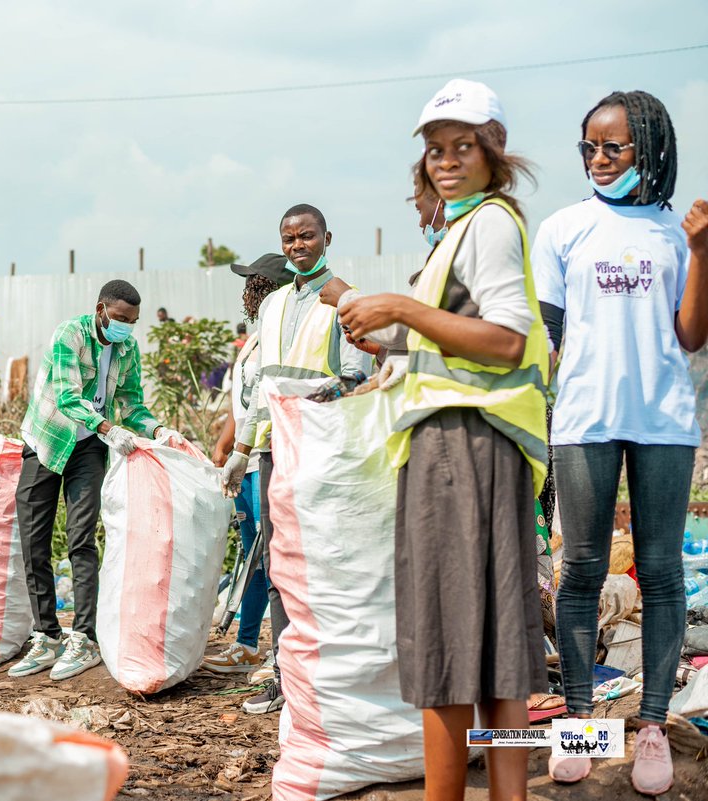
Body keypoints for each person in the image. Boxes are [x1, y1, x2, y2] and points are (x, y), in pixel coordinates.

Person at [340, 79, 549, 801]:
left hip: (464, 451)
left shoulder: (488, 224)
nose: (446, 161)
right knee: (497, 644)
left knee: (450, 638)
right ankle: (507, 794)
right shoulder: (460, 231)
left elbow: (505, 338)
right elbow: (452, 339)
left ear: (493, 151)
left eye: (463, 146)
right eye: (435, 150)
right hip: (467, 448)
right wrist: (392, 337)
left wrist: (399, 307)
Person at [534, 90, 708, 796]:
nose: (599, 161)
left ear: (651, 148)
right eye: (589, 148)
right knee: (580, 568)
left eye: (614, 147)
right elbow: (544, 339)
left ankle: (654, 728)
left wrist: (701, 250)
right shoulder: (564, 229)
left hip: (664, 421)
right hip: (583, 420)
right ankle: (579, 722)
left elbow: (692, 335)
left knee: (662, 571)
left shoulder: (676, 233)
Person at [220, 206, 371, 715]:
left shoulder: (342, 300)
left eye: (307, 236)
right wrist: (241, 451)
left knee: (321, 560)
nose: (298, 244)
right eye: (289, 238)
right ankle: (287, 676)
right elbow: (263, 387)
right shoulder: (275, 304)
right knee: (277, 560)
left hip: (321, 450)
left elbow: (355, 376)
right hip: (271, 451)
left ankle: (324, 676)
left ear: (327, 237)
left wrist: (312, 401)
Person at [9, 280, 180, 681]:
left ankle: (84, 638)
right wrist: (108, 427)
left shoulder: (127, 348)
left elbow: (131, 402)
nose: (125, 328)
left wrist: (158, 431)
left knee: (81, 537)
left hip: (89, 448)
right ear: (101, 309)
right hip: (48, 440)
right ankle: (46, 635)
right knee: (34, 537)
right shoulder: (70, 334)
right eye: (120, 319)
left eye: (132, 322)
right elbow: (67, 397)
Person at [203, 255, 290, 676]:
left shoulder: (275, 336)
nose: (243, 293)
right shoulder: (255, 338)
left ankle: (279, 651)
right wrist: (224, 446)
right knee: (253, 554)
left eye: (249, 283)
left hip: (265, 457)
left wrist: (242, 449)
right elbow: (243, 403)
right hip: (247, 458)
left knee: (269, 556)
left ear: (263, 287)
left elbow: (265, 402)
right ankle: (247, 644)